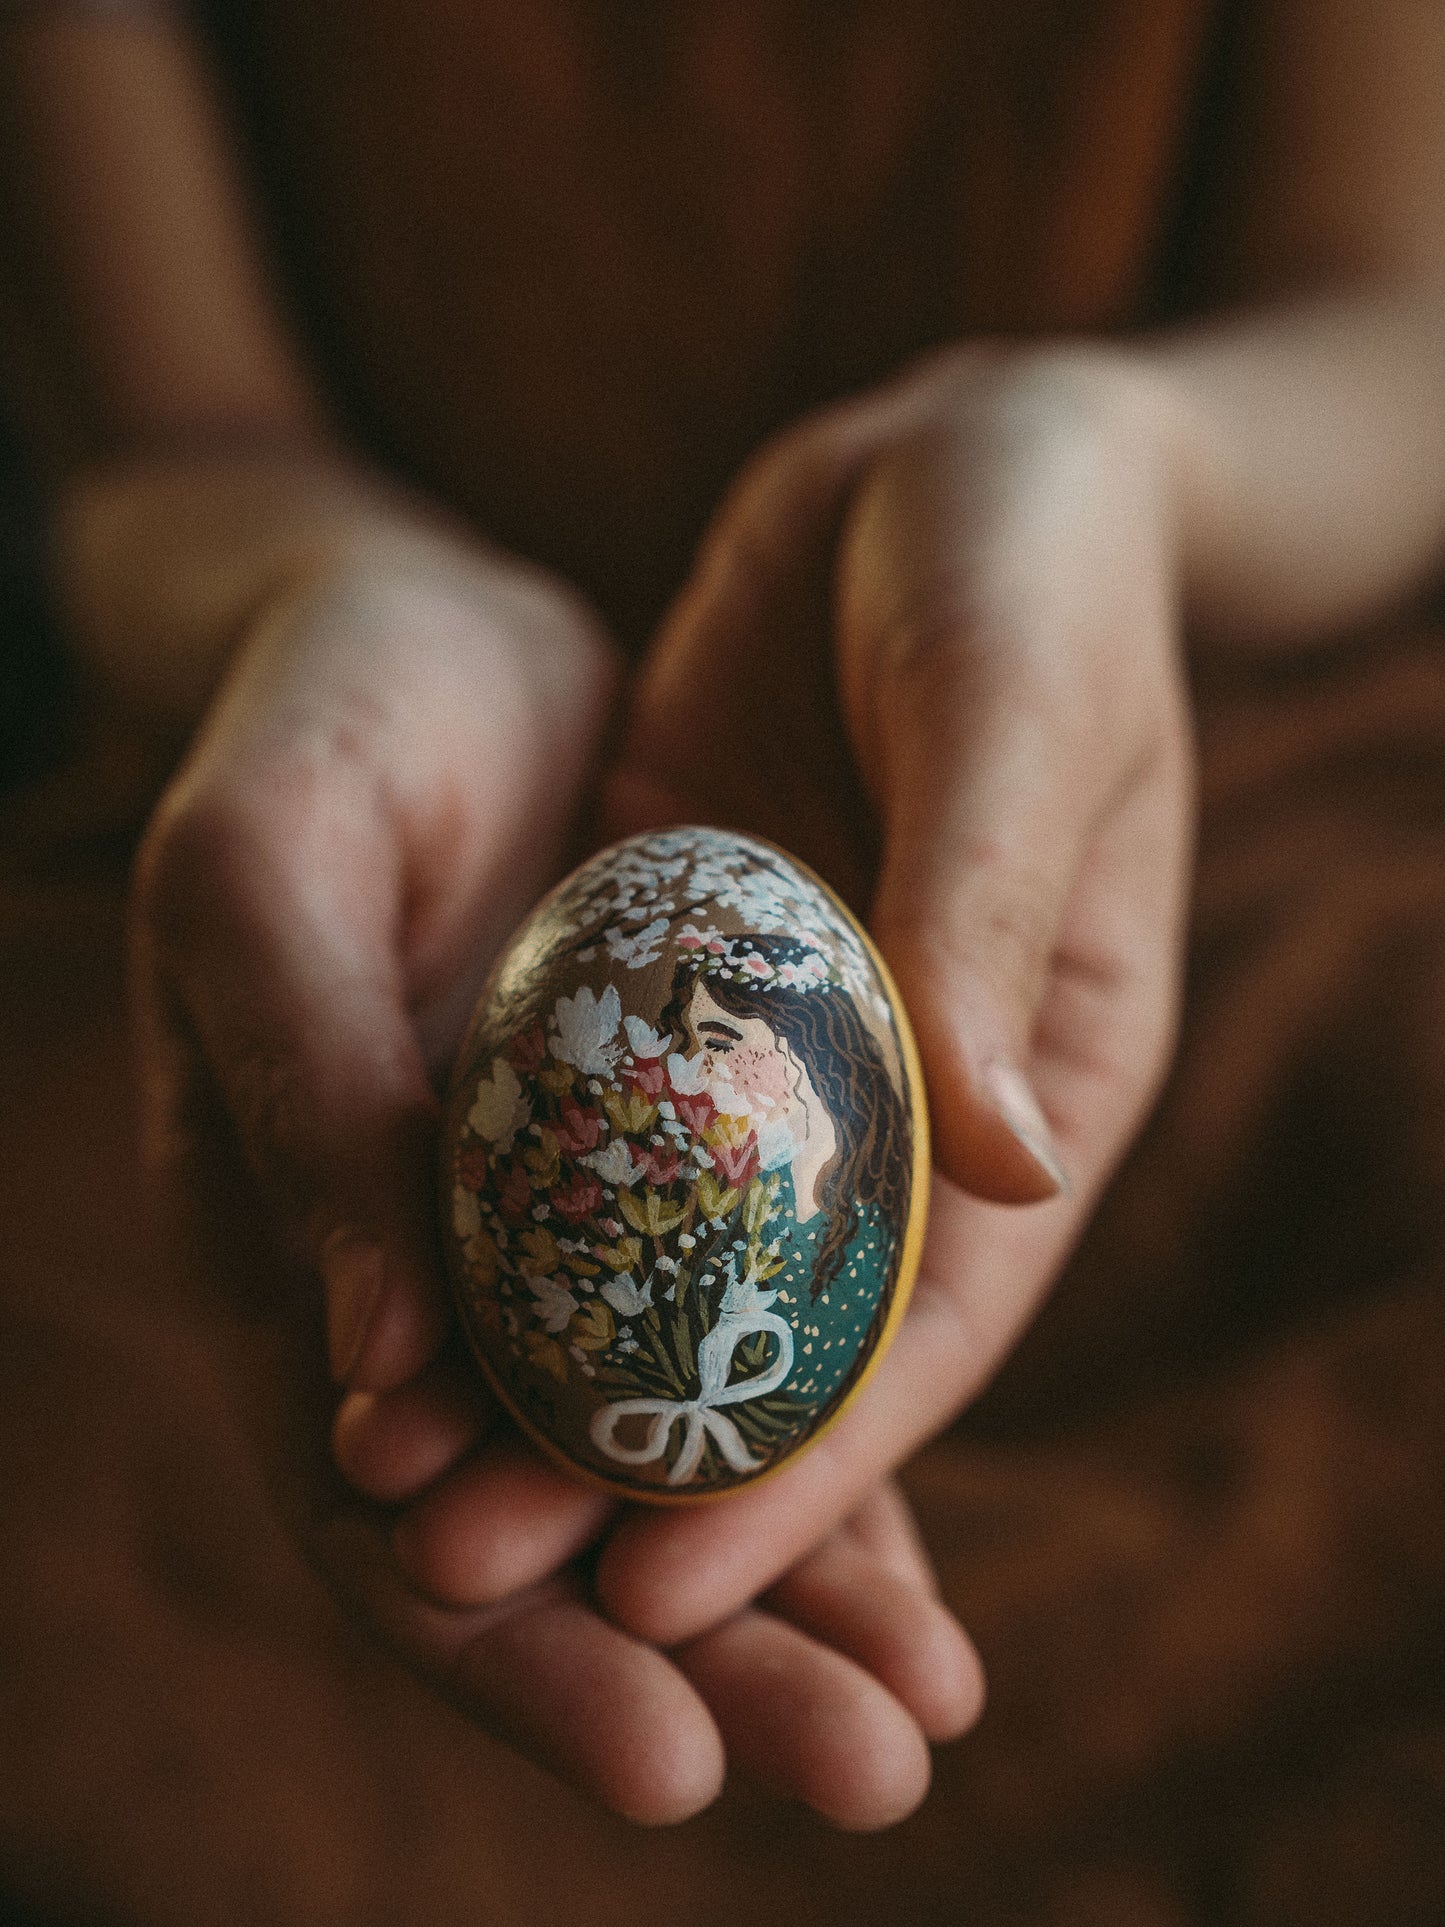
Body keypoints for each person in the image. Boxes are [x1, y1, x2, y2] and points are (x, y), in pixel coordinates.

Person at [3, 0, 1445, 1842]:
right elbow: (162, 450)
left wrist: (1117, 457)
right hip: (397, 902)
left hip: (1162, 803)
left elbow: (1398, 331)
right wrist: (324, 581)